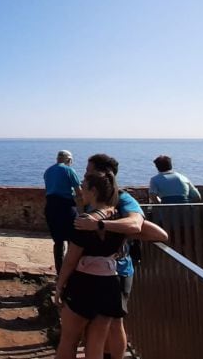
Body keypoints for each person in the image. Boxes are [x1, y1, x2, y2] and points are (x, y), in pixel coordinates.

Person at [76, 153, 148, 359]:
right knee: (98, 324)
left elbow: (136, 224)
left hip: (118, 270)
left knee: (115, 323)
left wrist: (99, 224)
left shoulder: (123, 199)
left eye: (89, 171)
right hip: (92, 270)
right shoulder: (95, 199)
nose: (85, 174)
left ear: (102, 173)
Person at [55, 170, 128, 359]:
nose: (80, 192)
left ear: (94, 191)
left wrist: (60, 286)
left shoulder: (84, 222)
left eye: (84, 188)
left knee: (69, 339)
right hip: (109, 285)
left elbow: (70, 260)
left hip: (83, 284)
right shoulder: (118, 217)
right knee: (96, 344)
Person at [44, 150, 82, 273]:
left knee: (58, 241)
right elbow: (79, 192)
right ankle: (72, 270)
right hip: (66, 207)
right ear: (68, 160)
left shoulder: (48, 171)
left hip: (50, 207)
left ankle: (60, 272)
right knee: (73, 239)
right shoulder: (69, 170)